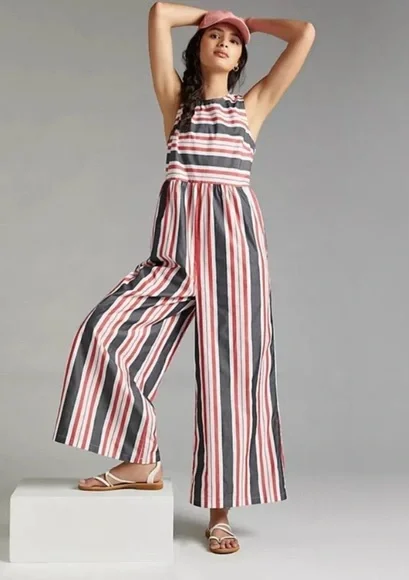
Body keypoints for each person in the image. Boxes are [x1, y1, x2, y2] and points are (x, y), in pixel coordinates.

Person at [51, 2, 315, 555]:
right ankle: (140, 460)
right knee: (104, 332)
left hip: (235, 256)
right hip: (173, 256)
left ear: (240, 59)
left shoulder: (251, 108)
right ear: (197, 49)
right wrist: (211, 17)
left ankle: (220, 515)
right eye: (215, 36)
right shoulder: (175, 104)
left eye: (233, 42)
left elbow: (305, 34)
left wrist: (251, 24)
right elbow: (158, 14)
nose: (224, 42)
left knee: (232, 379)